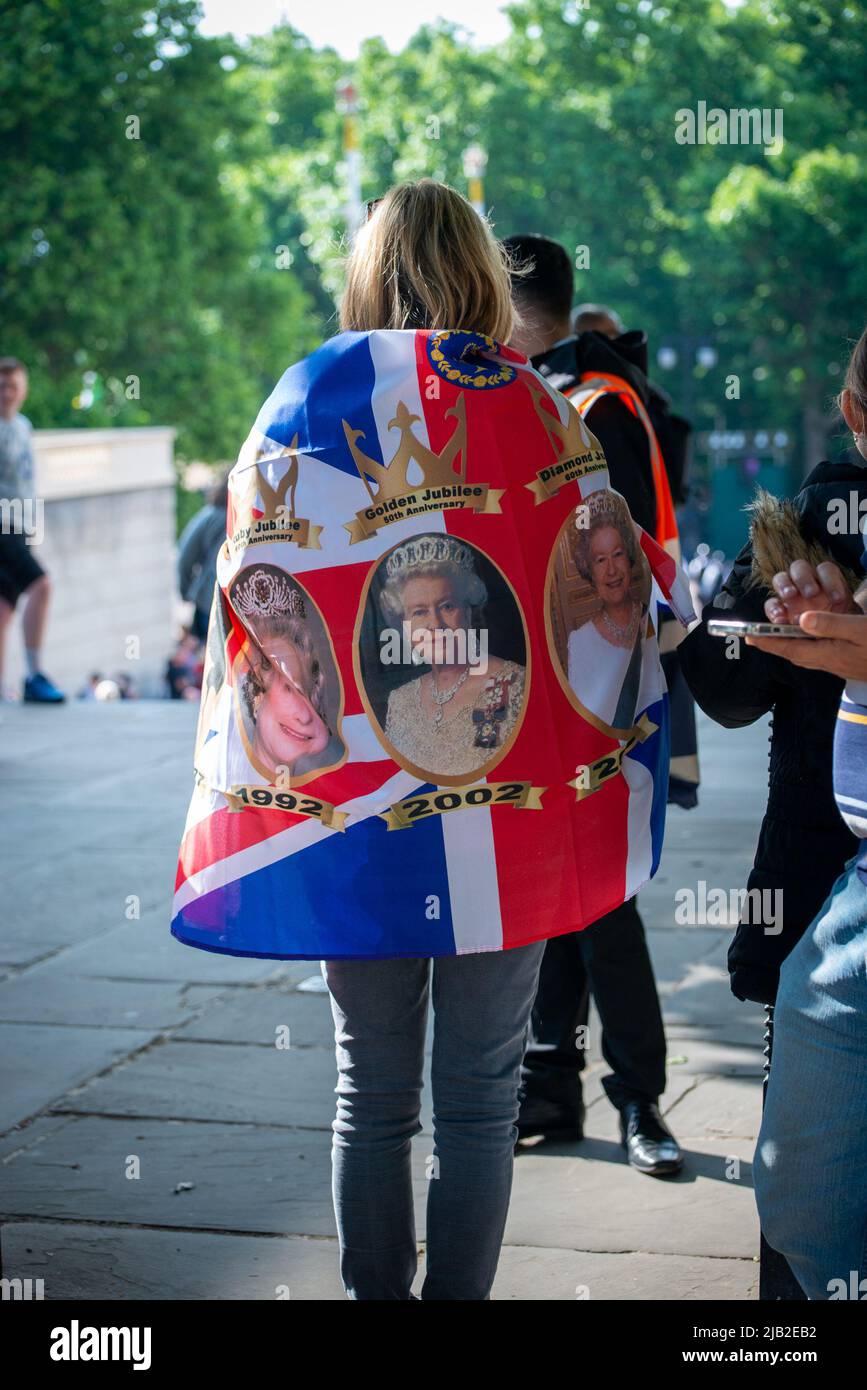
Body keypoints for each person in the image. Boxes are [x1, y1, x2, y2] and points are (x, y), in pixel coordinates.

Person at [503, 233, 684, 1176]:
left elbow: (623, 566)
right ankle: (549, 1088)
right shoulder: (517, 397)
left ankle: (640, 1097)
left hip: (595, 695)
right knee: (546, 903)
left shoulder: (592, 403)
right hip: (526, 693)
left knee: (604, 903)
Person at [379, 534, 525, 778]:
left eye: (447, 606)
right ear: (404, 624)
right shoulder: (399, 701)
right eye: (419, 612)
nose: (435, 624)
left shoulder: (513, 683)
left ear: (468, 611)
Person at [0, 357, 64, 702]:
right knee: (41, 585)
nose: (7, 393)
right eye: (1, 386)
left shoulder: (22, 426)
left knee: (4, 607)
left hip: (20, 523)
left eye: (13, 386)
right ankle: (34, 673)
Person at [567, 495, 648, 729]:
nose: (612, 570)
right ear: (589, 572)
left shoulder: (648, 617)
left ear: (630, 557)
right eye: (600, 560)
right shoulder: (580, 641)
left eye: (618, 554)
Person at [177, 475, 230, 642]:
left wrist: (186, 592)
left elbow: (185, 556)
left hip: (209, 601)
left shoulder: (210, 515)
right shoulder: (250, 517)